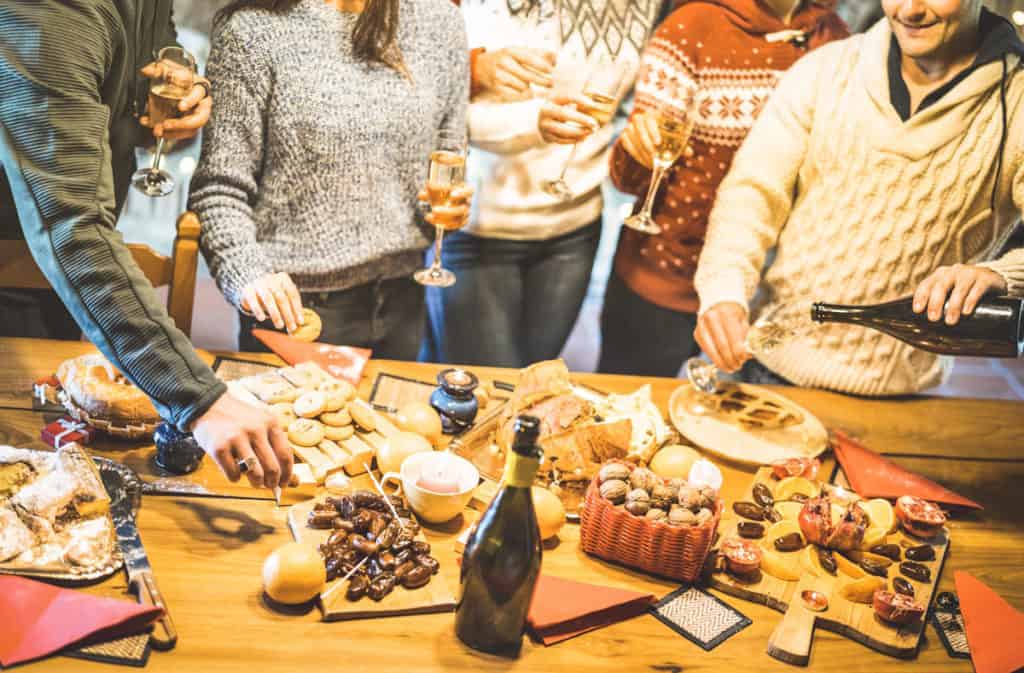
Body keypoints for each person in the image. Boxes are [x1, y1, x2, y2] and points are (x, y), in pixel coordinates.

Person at [0, 0, 292, 491]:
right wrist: (201, 399)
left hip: (58, 265)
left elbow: (140, 50)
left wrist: (175, 84)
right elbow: (72, 221)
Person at [693, 0, 1024, 394]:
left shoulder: (1017, 103)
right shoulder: (824, 70)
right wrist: (724, 292)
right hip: (764, 364)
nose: (909, 10)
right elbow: (752, 193)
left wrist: (1001, 275)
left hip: (904, 397)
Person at [191, 0, 470, 361]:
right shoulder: (253, 29)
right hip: (296, 306)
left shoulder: (440, 21)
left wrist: (451, 208)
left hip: (404, 294)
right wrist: (246, 273)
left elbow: (448, 155)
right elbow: (218, 188)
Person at [600, 0, 848, 377]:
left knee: (729, 426)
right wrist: (638, 150)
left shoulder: (835, 39)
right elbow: (631, 178)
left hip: (763, 297)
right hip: (662, 281)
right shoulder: (691, 27)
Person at [420, 0, 668, 368]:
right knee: (485, 388)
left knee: (531, 384)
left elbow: (625, 110)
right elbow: (432, 107)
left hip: (575, 229)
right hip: (481, 227)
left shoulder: (650, 6)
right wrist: (482, 77)